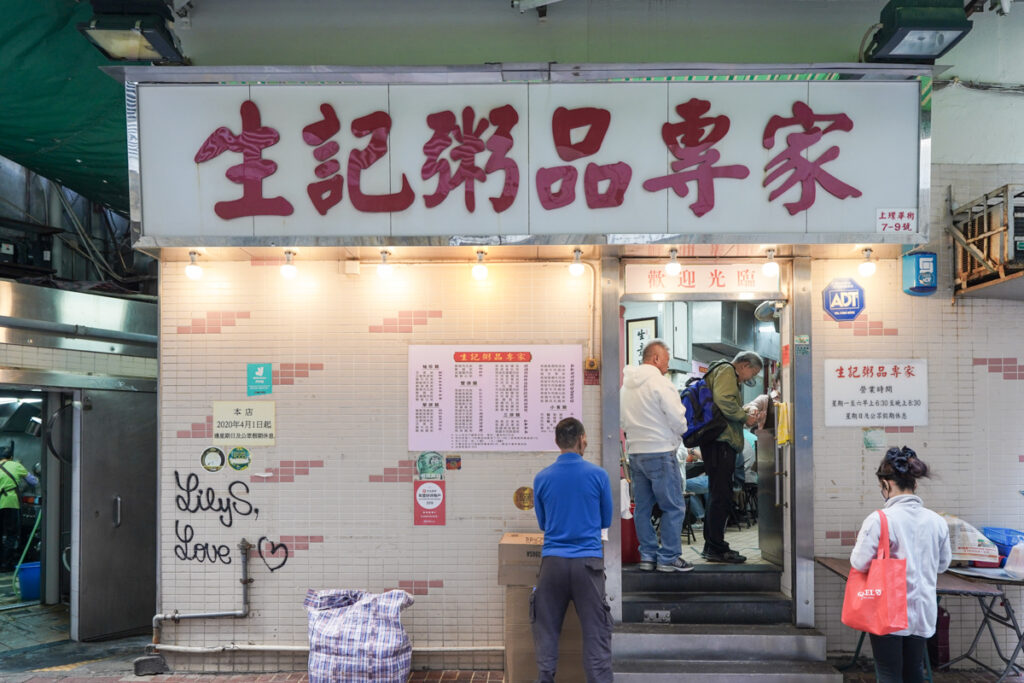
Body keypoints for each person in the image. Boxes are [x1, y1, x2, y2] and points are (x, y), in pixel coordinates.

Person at [850, 446, 951, 683]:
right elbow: (942, 565)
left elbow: (859, 562)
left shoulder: (880, 519)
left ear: (886, 485)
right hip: (923, 610)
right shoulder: (937, 521)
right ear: (914, 484)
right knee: (914, 671)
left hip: (888, 610)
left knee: (888, 673)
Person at [532, 417, 613, 683]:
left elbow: (544, 524)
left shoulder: (542, 478)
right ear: (582, 439)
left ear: (557, 442)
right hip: (588, 565)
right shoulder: (598, 475)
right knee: (595, 632)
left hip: (552, 563)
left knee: (547, 630)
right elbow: (606, 520)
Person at [620, 340, 693, 573]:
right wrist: (680, 432)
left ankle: (648, 555)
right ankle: (669, 557)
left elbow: (622, 420)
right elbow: (677, 416)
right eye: (667, 361)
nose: (667, 366)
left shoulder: (625, 386)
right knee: (673, 506)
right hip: (660, 451)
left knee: (642, 507)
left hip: (636, 453)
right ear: (656, 359)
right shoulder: (660, 383)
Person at [700, 350, 763, 564]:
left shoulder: (720, 370)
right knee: (721, 496)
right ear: (744, 365)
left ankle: (712, 545)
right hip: (720, 443)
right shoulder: (727, 370)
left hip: (717, 443)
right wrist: (744, 417)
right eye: (752, 372)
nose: (750, 378)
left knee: (717, 495)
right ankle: (716, 548)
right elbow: (724, 400)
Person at [0, 441, 37, 572]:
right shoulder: (16, 465)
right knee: (11, 534)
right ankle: (6, 565)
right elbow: (33, 481)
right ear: (11, 457)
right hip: (10, 502)